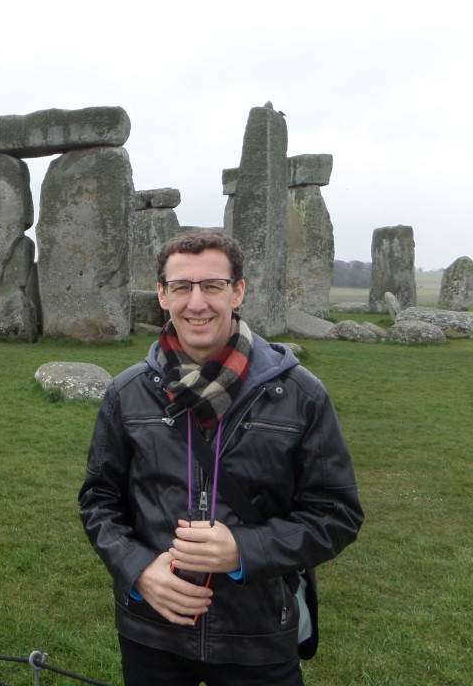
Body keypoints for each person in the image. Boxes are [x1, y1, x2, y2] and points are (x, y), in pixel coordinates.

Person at [79, 228, 363, 686]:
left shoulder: (299, 395)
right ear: (161, 295)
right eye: (181, 287)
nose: (197, 303)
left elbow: (337, 514)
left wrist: (244, 550)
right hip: (152, 629)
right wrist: (138, 568)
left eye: (212, 286)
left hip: (258, 631)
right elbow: (99, 501)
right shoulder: (128, 393)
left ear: (237, 292)